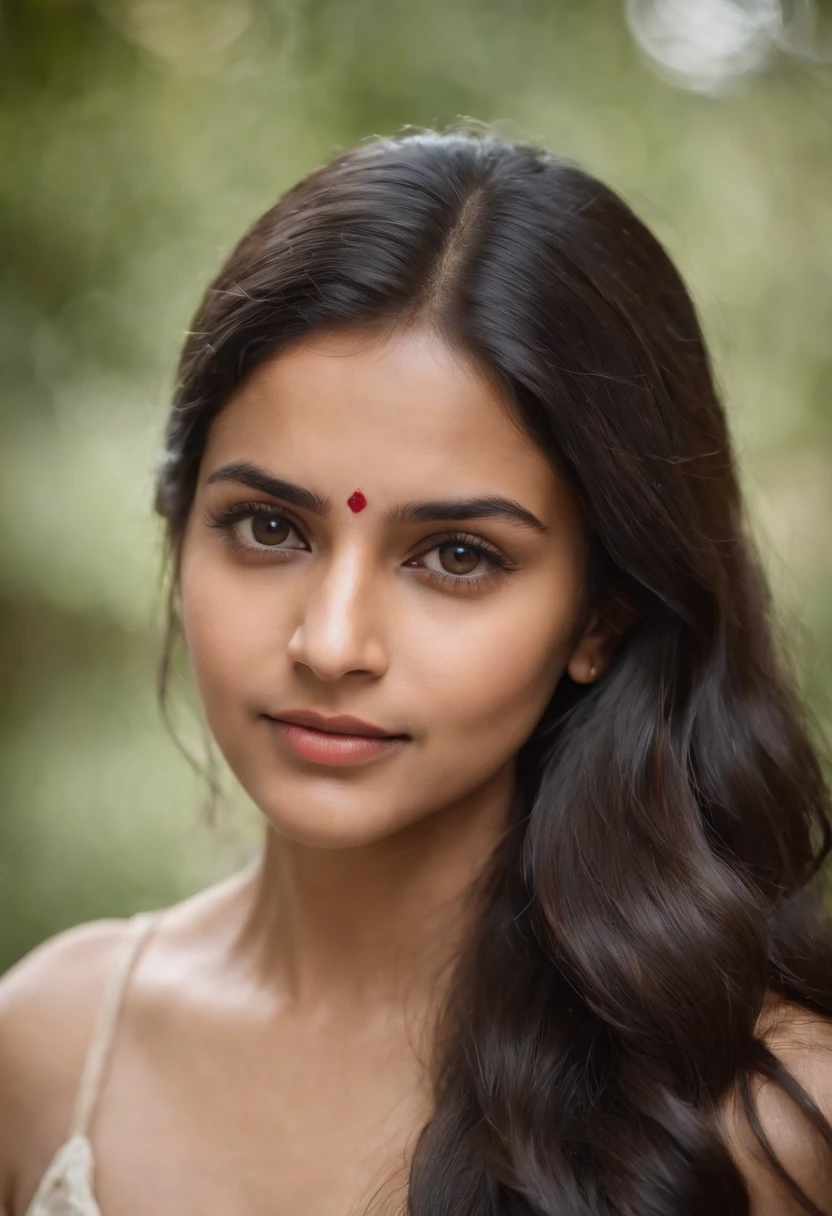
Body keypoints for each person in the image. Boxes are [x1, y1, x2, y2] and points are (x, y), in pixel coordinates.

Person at [1, 124, 831, 1216]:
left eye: (456, 555)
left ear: (602, 616)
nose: (332, 642)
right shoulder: (47, 1052)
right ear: (178, 529)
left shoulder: (762, 1122)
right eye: (267, 527)